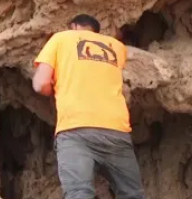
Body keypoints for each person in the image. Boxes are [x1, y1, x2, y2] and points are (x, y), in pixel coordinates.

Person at [31, 14, 146, 199]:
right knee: (132, 193)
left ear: (74, 27)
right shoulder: (116, 46)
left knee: (79, 193)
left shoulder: (61, 38)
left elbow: (40, 83)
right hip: (116, 129)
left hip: (76, 128)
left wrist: (53, 91)